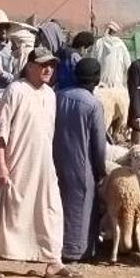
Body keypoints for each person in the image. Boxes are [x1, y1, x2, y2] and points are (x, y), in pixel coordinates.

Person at [0, 47, 64, 275]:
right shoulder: (15, 90)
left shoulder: (50, 94)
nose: (48, 69)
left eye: (51, 65)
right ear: (30, 66)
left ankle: (53, 259)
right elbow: (0, 131)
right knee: (3, 209)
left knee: (49, 208)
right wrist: (1, 165)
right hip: (15, 163)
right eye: (43, 64)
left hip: (43, 164)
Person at [53, 57, 110, 267]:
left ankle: (54, 245)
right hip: (81, 161)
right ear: (96, 78)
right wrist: (101, 169)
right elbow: (99, 142)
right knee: (81, 204)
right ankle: (76, 250)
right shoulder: (92, 104)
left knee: (58, 203)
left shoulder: (57, 96)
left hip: (54, 159)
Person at [94, 22, 132, 91]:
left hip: (101, 83)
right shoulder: (121, 45)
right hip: (117, 83)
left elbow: (93, 60)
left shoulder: (99, 43)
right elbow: (128, 64)